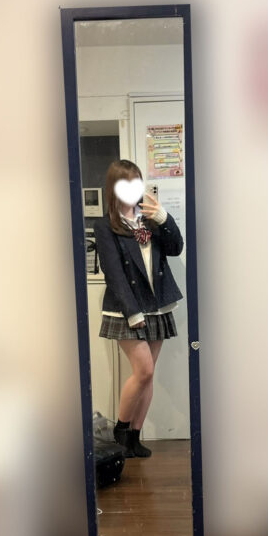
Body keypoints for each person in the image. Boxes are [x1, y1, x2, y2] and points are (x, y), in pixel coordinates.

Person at [93, 160, 184, 459]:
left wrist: (163, 217)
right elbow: (114, 273)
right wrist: (132, 312)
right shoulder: (105, 225)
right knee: (143, 371)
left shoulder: (150, 219)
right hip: (126, 309)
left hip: (156, 305)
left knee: (148, 374)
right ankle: (121, 430)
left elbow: (176, 247)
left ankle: (134, 436)